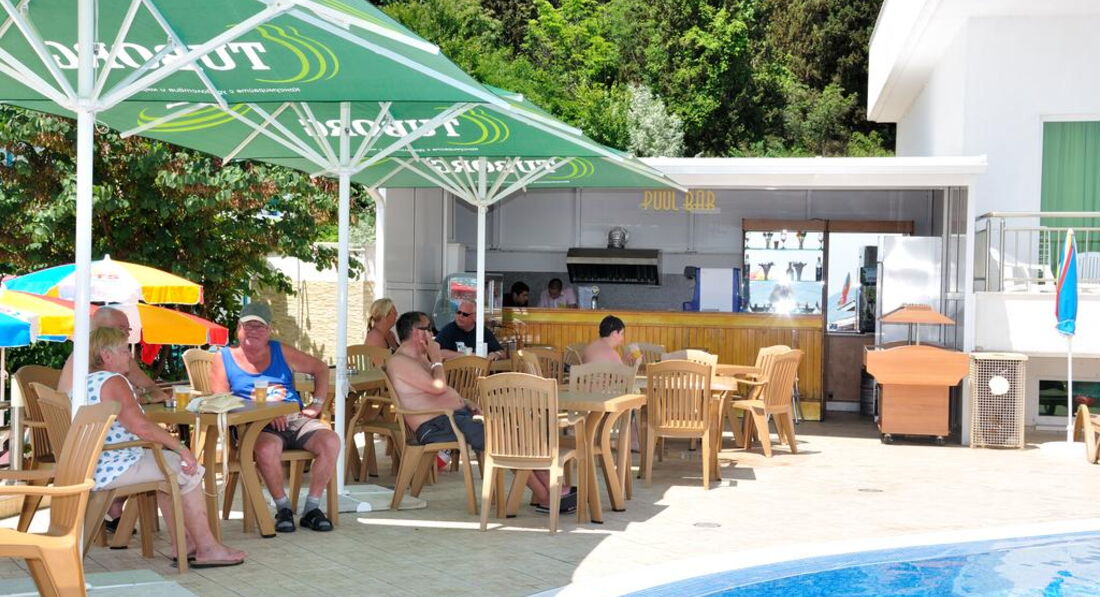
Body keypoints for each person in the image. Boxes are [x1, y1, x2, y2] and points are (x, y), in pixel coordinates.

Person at [83, 326, 246, 567]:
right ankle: (207, 548)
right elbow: (141, 427)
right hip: (114, 465)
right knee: (187, 469)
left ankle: (185, 543)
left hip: (95, 463)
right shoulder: (113, 381)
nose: (130, 356)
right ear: (106, 356)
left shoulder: (87, 381)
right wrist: (182, 449)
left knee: (167, 469)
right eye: (124, 350)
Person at [387, 311, 574, 513]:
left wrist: (464, 401)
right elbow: (438, 387)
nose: (433, 334)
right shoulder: (400, 362)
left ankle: (547, 490)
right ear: (417, 333)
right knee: (502, 438)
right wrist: (437, 359)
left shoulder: (419, 358)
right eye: (429, 329)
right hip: (436, 425)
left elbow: (439, 391)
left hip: (452, 418)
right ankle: (546, 494)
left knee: (512, 430)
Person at [209, 301, 340, 533]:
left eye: (259, 326)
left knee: (331, 440)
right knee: (267, 449)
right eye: (248, 325)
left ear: (269, 330)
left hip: (295, 418)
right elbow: (221, 400)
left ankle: (311, 508)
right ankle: (283, 507)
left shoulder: (280, 351)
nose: (253, 331)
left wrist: (316, 404)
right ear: (238, 328)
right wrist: (265, 411)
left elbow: (320, 367)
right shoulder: (224, 358)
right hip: (254, 425)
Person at [58, 306, 166, 402]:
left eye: (127, 329)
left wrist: (141, 396)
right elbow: (154, 393)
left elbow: (153, 389)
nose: (127, 334)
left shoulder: (80, 353)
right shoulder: (112, 358)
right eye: (121, 329)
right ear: (100, 330)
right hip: (89, 418)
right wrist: (143, 398)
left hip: (72, 417)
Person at [435, 299, 506, 361]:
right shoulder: (449, 329)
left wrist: (497, 354)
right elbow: (436, 352)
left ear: (475, 316)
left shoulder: (482, 331)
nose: (460, 316)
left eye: (465, 314)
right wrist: (468, 355)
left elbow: (502, 353)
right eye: (459, 312)